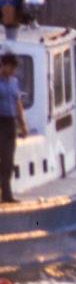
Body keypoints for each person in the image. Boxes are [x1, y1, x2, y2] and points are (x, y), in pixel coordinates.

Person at [0, 54, 27, 203]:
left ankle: (7, 194)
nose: (13, 71)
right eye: (11, 67)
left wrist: (22, 125)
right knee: (3, 157)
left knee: (9, 160)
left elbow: (18, 104)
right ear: (3, 65)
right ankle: (5, 193)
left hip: (11, 123)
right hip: (1, 121)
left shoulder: (14, 82)